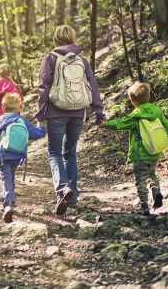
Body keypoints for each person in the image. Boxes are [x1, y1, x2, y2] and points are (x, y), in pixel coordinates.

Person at [36, 25, 105, 216]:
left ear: (55, 39)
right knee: (71, 153)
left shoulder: (50, 58)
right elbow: (93, 86)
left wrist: (41, 113)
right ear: (72, 39)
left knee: (54, 153)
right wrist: (98, 111)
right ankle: (72, 196)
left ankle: (62, 189)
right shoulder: (82, 60)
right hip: (77, 111)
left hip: (57, 112)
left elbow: (43, 87)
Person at [103, 82, 168, 215]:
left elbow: (120, 124)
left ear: (133, 101)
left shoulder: (136, 115)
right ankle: (157, 194)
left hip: (140, 153)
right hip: (154, 151)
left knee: (140, 180)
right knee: (151, 174)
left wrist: (105, 124)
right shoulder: (156, 111)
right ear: (149, 97)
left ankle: (144, 206)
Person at [0, 93, 45, 223]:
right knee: (10, 175)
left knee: (6, 177)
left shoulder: (0, 119)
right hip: (17, 154)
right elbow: (35, 134)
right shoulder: (21, 120)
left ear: (3, 107)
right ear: (19, 108)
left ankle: (8, 203)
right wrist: (41, 128)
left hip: (3, 155)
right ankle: (9, 199)